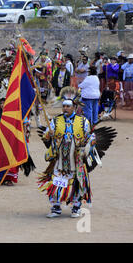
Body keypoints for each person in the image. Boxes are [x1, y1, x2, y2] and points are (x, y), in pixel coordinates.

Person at [38, 87, 96, 218]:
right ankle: (56, 208)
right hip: (59, 159)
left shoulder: (83, 122)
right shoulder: (56, 121)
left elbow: (90, 136)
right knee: (56, 182)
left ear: (74, 107)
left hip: (75, 159)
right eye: (63, 106)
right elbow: (46, 136)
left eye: (68, 106)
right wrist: (48, 134)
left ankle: (76, 208)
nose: (65, 108)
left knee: (77, 182)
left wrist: (90, 143)